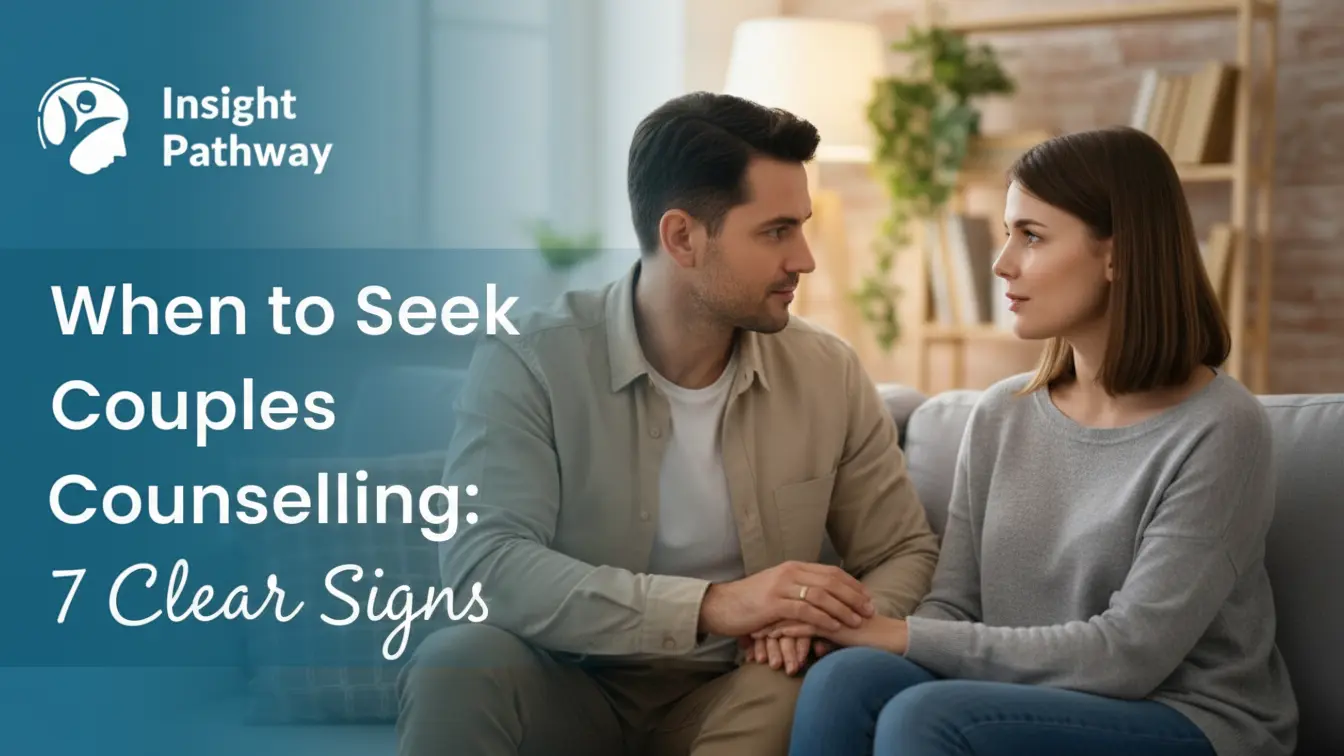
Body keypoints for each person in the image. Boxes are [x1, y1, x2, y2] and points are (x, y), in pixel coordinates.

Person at [395, 91, 941, 756]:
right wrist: (715, 605)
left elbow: (902, 551)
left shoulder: (828, 372)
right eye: (776, 231)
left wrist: (822, 623)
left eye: (800, 226)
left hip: (742, 682)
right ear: (682, 236)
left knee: (800, 683)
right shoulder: (531, 360)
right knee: (459, 661)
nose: (804, 258)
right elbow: (486, 562)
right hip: (568, 681)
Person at [773, 126, 1299, 756]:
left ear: (1118, 254)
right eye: (1006, 234)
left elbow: (1129, 655)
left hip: (1189, 717)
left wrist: (896, 634)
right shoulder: (1003, 413)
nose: (1002, 264)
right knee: (843, 679)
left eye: (1032, 236)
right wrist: (845, 631)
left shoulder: (1219, 427)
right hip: (1022, 699)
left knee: (928, 718)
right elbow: (956, 607)